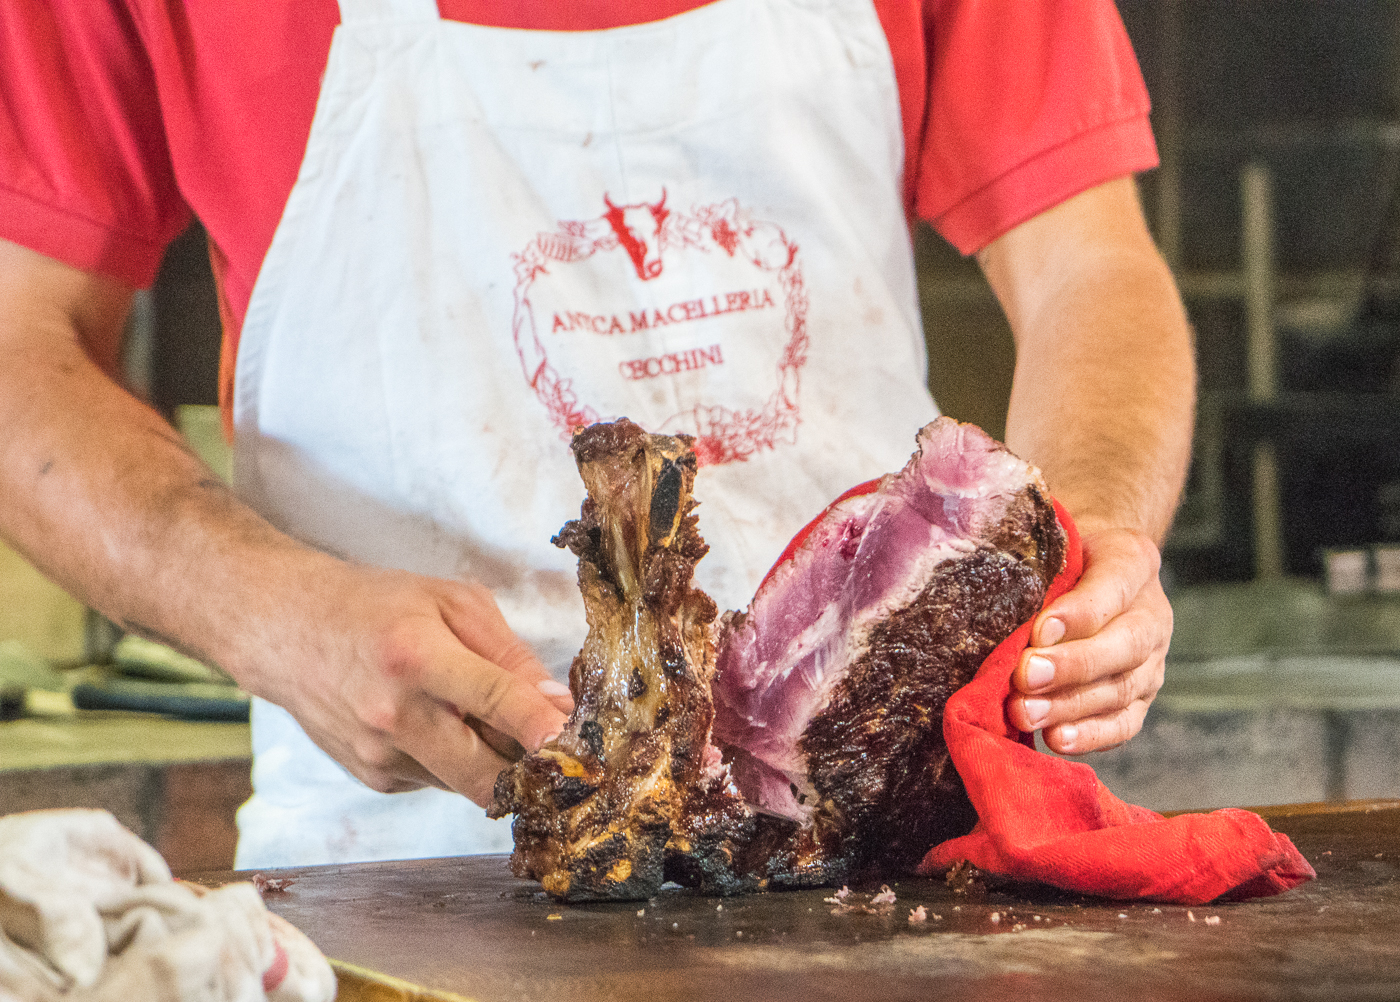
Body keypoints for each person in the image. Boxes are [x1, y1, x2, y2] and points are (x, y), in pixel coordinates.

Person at [0, 0, 1194, 867]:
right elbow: (20, 353)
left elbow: (1088, 266)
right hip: (392, 860)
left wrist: (1087, 545)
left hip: (865, 848)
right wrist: (266, 612)